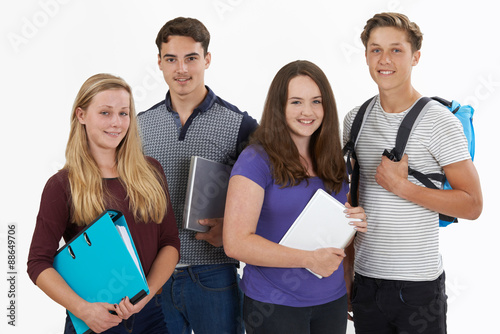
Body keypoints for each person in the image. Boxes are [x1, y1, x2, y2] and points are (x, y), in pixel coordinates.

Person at [342, 12, 483, 334]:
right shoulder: (355, 120)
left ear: (415, 56)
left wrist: (401, 187)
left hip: (419, 289)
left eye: (396, 49)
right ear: (365, 55)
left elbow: (473, 205)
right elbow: (350, 201)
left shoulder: (439, 122)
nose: (384, 59)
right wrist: (347, 273)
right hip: (365, 283)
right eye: (375, 49)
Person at [27, 73, 180, 334]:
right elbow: (38, 263)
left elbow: (169, 243)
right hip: (94, 320)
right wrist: (83, 309)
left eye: (124, 113)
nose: (117, 123)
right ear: (81, 115)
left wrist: (147, 294)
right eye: (105, 113)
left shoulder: (151, 171)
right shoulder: (63, 184)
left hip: (150, 316)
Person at [223, 60, 368, 334]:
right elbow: (236, 243)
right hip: (274, 306)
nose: (308, 112)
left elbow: (334, 234)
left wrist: (354, 223)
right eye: (296, 102)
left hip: (332, 300)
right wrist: (308, 259)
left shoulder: (334, 160)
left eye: (316, 102)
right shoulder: (255, 160)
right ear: (279, 107)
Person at [137, 17, 258, 334]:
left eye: (191, 58)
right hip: (153, 277)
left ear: (206, 59)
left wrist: (232, 230)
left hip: (214, 274)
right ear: (160, 63)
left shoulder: (240, 125)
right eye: (171, 59)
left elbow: (267, 196)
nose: (181, 69)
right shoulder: (139, 125)